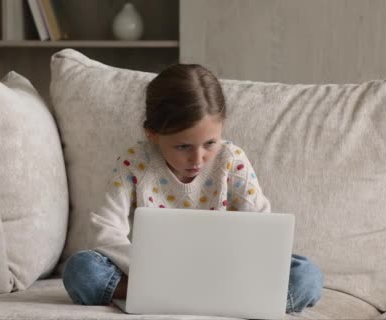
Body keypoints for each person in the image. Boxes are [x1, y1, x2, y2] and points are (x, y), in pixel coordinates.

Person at [62, 63, 323, 313]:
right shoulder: (134, 163)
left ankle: (178, 296)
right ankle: (203, 297)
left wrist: (240, 267)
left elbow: (262, 233)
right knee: (82, 270)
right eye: (183, 146)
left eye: (210, 143)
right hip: (155, 274)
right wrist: (148, 271)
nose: (197, 159)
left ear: (223, 126)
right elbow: (106, 230)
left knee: (307, 277)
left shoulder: (231, 160)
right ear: (152, 133)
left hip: (225, 272)